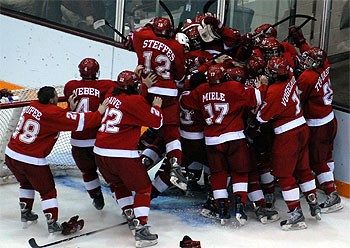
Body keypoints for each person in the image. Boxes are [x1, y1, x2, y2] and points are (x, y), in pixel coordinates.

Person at [4, 86, 108, 234]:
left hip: (11, 155)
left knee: (25, 183)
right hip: (31, 159)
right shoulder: (53, 113)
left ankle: (26, 213)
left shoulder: (31, 106)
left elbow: (53, 119)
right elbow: (79, 122)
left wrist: (68, 110)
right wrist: (99, 113)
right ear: (53, 99)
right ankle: (52, 222)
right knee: (48, 191)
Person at [187, 64, 263, 226]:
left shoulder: (201, 90)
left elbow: (185, 101)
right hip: (233, 138)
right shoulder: (233, 87)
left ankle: (222, 208)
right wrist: (262, 85)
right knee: (240, 172)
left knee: (218, 174)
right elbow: (258, 97)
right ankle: (240, 206)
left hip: (212, 141)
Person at [94, 70, 163, 248]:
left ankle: (129, 213)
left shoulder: (111, 93)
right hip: (121, 154)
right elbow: (156, 122)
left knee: (118, 184)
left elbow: (128, 100)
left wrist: (142, 85)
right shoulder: (136, 101)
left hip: (100, 152)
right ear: (135, 86)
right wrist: (156, 106)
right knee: (143, 188)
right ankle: (140, 229)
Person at [256, 57, 321, 230]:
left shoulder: (274, 91)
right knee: (303, 169)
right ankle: (314, 204)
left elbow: (261, 117)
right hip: (302, 127)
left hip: (287, 135)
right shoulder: (291, 77)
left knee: (285, 175)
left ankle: (296, 215)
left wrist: (261, 87)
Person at [129, 17, 188, 191]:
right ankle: (175, 164)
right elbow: (179, 76)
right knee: (171, 132)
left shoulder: (141, 38)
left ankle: (127, 160)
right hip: (167, 93)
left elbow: (139, 32)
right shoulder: (176, 47)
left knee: (133, 125)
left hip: (146, 89)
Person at [64, 58, 115, 210]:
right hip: (97, 142)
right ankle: (125, 205)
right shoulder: (106, 85)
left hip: (77, 141)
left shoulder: (70, 86)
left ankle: (96, 197)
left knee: (87, 171)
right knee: (112, 174)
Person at [297, 47, 343, 213]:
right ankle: (329, 184)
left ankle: (332, 194)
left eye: (310, 60)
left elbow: (297, 99)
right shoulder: (325, 65)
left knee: (317, 160)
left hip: (318, 124)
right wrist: (301, 42)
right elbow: (316, 54)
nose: (306, 62)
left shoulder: (307, 76)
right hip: (330, 118)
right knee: (327, 154)